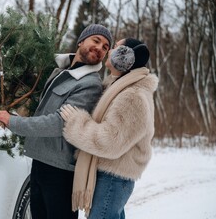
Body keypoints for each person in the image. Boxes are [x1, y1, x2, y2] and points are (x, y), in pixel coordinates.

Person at [0, 24, 113, 219]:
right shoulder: (60, 71)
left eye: (106, 47)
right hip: (40, 161)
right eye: (96, 41)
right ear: (81, 41)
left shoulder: (90, 84)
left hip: (61, 171)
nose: (100, 48)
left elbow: (59, 123)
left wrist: (12, 122)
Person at [60, 38, 159, 219]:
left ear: (125, 57)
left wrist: (76, 122)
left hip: (113, 178)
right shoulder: (118, 87)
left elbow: (109, 141)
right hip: (110, 175)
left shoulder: (132, 96)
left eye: (114, 48)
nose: (109, 51)